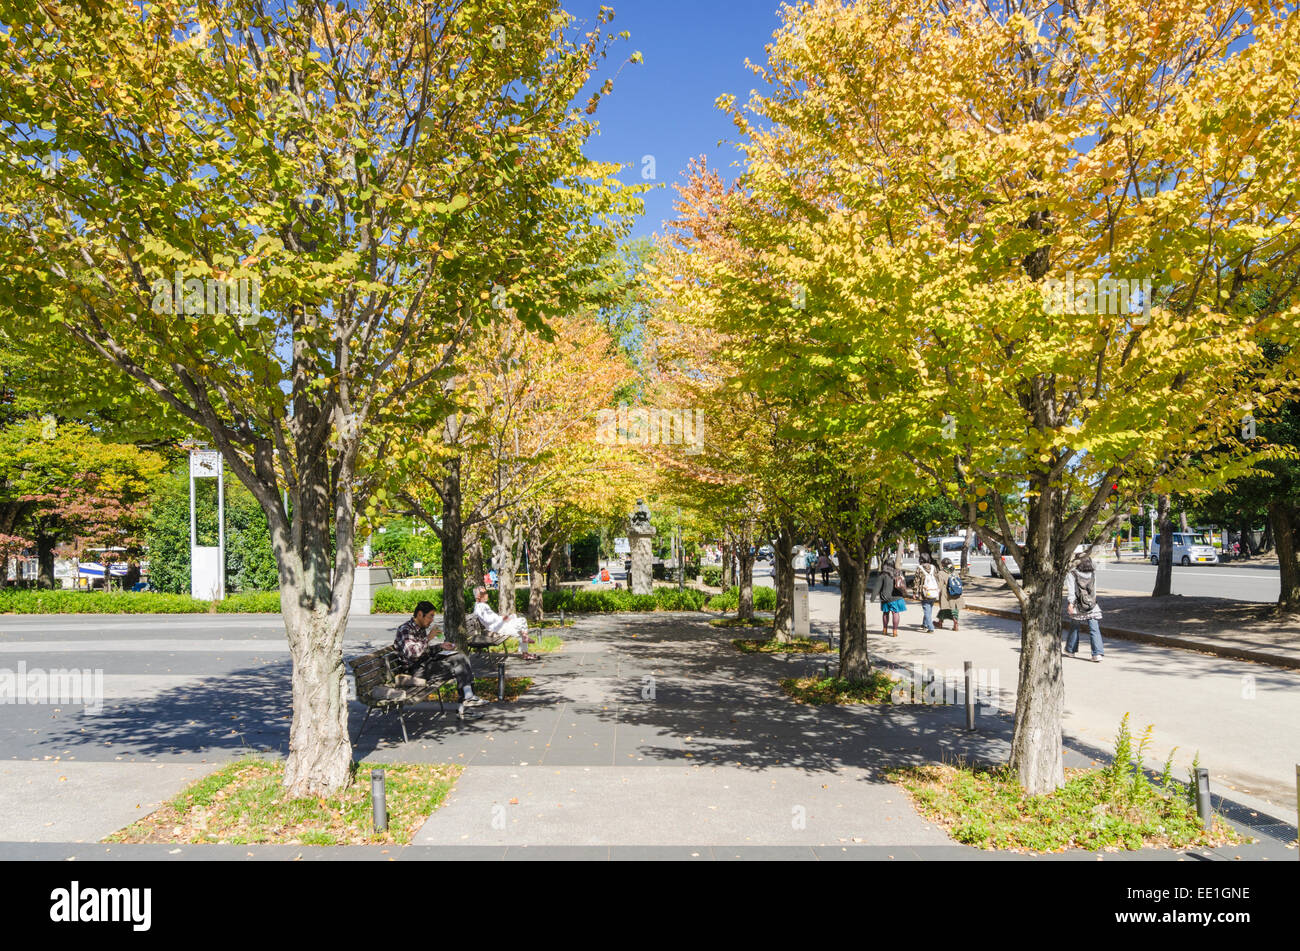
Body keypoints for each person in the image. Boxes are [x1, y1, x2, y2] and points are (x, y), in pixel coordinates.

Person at [393, 601, 485, 718]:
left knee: (460, 657)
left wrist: (440, 646)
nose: (432, 620)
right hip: (415, 671)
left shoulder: (420, 628)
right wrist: (429, 638)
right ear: (420, 614)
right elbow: (413, 653)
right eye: (430, 616)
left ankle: (468, 697)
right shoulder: (405, 630)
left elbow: (424, 650)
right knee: (459, 667)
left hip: (426, 665)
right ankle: (466, 704)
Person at [473, 585, 537, 661]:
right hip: (497, 628)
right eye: (484, 593)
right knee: (522, 622)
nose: (487, 594)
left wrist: (503, 618)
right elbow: (488, 620)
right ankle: (525, 643)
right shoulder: (480, 607)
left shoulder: (481, 606)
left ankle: (525, 646)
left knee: (520, 626)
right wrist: (502, 618)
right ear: (478, 596)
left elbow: (491, 618)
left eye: (486, 592)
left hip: (499, 626)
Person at [1064, 555, 1104, 662]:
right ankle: (1097, 653)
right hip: (1091, 604)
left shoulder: (1072, 573)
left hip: (1078, 605)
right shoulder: (1092, 573)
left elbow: (1071, 591)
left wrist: (1070, 604)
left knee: (1074, 627)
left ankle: (1070, 650)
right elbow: (1094, 590)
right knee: (1094, 629)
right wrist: (1092, 602)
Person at [873, 556, 907, 638]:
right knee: (895, 613)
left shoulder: (883, 574)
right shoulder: (898, 572)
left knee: (885, 613)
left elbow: (878, 586)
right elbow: (903, 583)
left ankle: (885, 630)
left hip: (885, 597)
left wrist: (873, 596)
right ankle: (895, 631)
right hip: (897, 596)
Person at [912, 551, 939, 632]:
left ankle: (930, 628)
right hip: (933, 591)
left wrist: (914, 592)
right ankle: (925, 624)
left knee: (927, 609)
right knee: (929, 609)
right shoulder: (933, 567)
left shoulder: (919, 568)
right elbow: (937, 579)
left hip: (925, 592)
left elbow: (916, 581)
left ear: (921, 559)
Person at [935, 557, 965, 630]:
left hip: (946, 593)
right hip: (956, 593)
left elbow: (940, 585)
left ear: (942, 565)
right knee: (955, 608)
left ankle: (941, 623)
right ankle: (954, 623)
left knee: (944, 607)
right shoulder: (955, 572)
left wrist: (937, 593)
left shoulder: (941, 573)